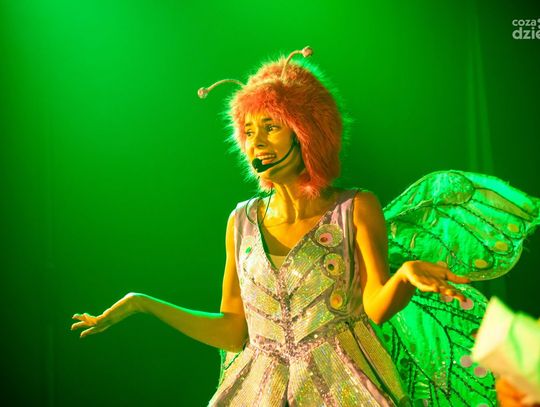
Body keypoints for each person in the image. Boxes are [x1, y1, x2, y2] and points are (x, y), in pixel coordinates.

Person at [72, 47, 539, 406]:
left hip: (345, 388)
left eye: (271, 127)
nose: (257, 142)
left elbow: (375, 308)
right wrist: (143, 304)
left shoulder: (355, 208)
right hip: (259, 392)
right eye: (248, 131)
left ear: (307, 132)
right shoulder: (241, 222)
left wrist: (405, 274)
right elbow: (234, 331)